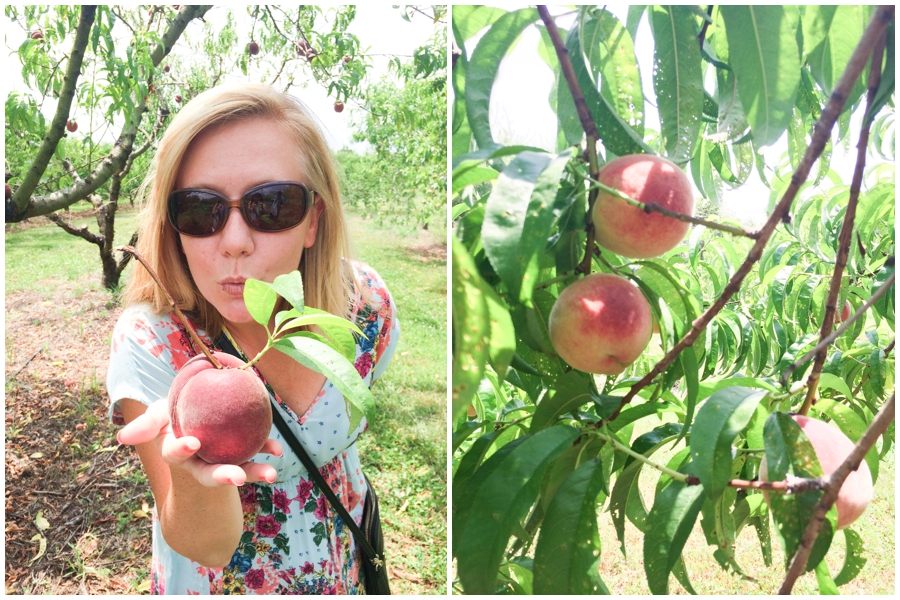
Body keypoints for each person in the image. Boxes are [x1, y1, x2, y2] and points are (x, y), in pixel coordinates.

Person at [107, 83, 399, 594]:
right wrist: (193, 472)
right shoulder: (155, 343)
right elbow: (208, 547)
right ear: (174, 227)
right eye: (201, 210)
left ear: (313, 221)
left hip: (349, 564)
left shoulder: (364, 305)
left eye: (272, 205)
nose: (236, 243)